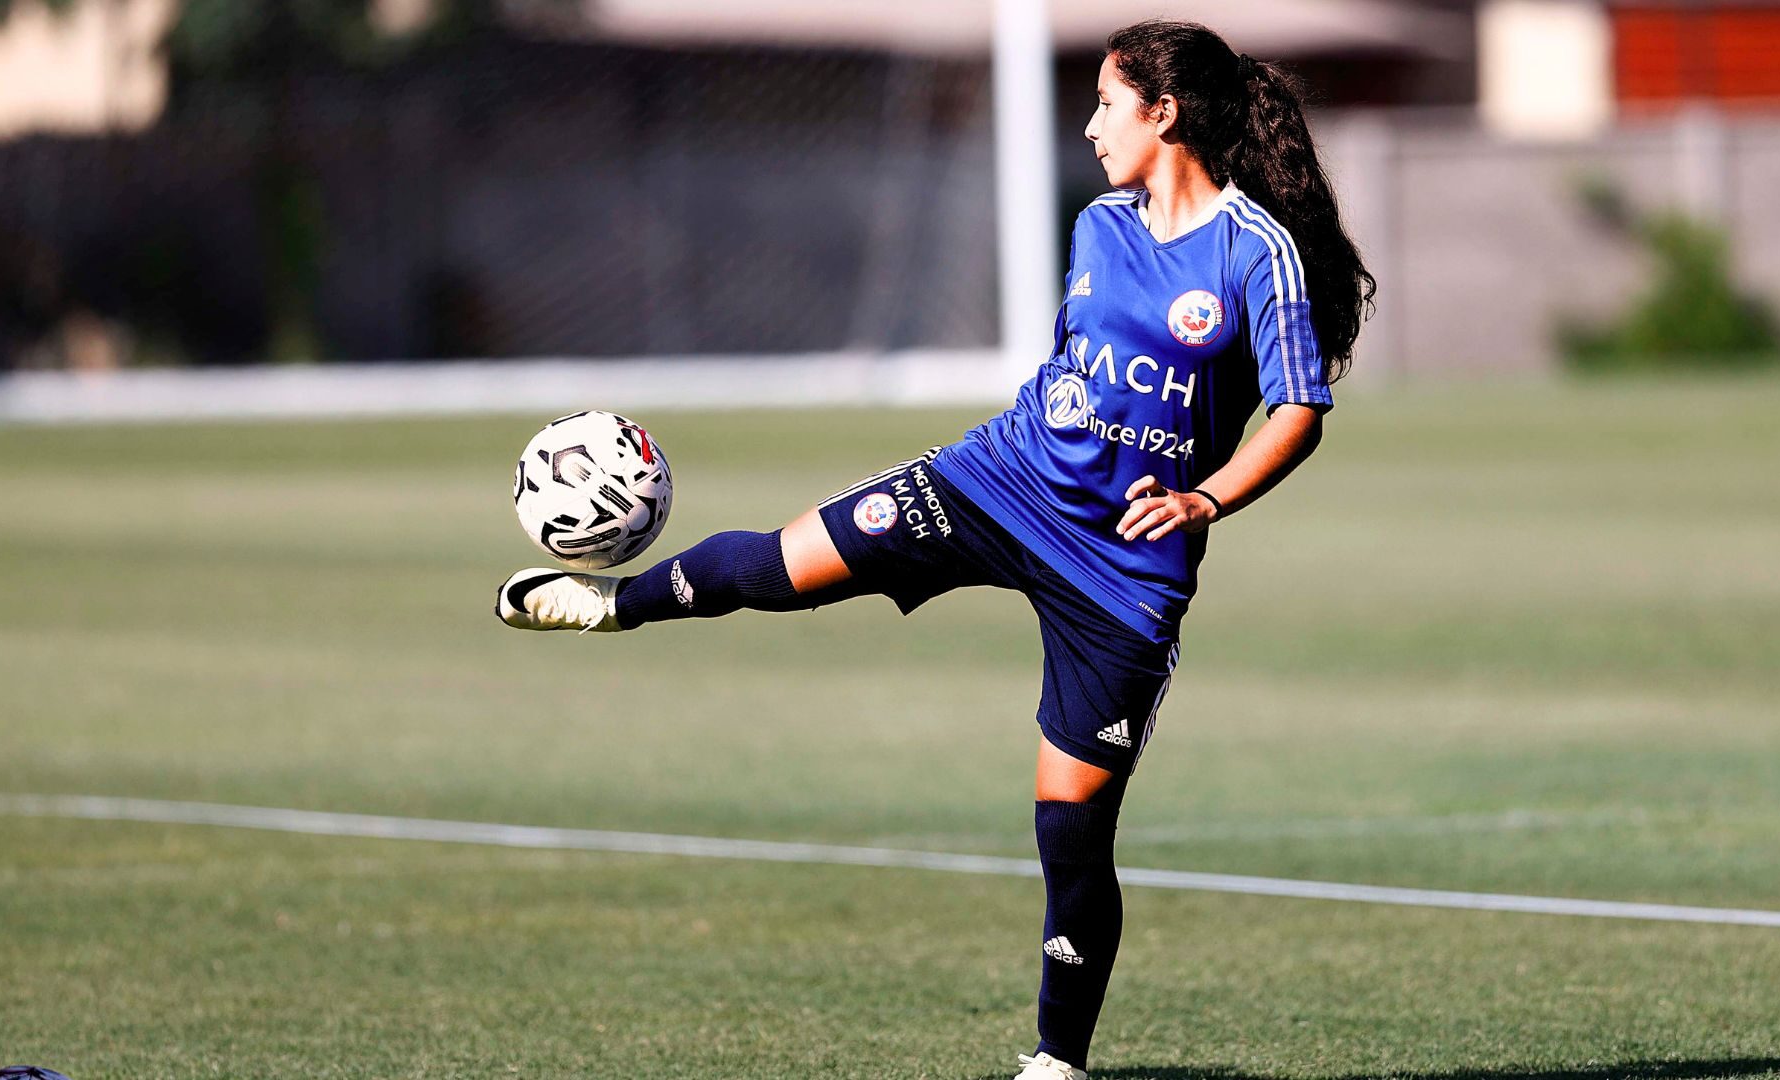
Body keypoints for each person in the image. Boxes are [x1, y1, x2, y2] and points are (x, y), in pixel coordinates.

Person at [495, 19, 1374, 1080]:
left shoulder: (1255, 253)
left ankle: (1057, 1062)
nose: (1091, 126)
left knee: (1070, 829)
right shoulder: (1098, 223)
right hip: (997, 484)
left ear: (1165, 112)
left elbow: (1296, 413)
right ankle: (611, 602)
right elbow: (1073, 368)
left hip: (1123, 573)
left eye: (1105, 103)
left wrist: (1205, 502)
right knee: (784, 567)